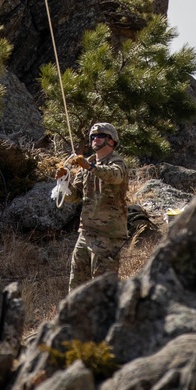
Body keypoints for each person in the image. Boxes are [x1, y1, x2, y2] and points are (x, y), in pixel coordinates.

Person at [56, 121, 129, 292]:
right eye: (93, 136)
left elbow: (114, 177)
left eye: (100, 136)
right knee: (76, 288)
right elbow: (75, 197)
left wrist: (90, 167)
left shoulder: (117, 163)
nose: (95, 139)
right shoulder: (85, 165)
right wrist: (64, 183)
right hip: (86, 233)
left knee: (102, 290)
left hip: (108, 236)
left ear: (111, 141)